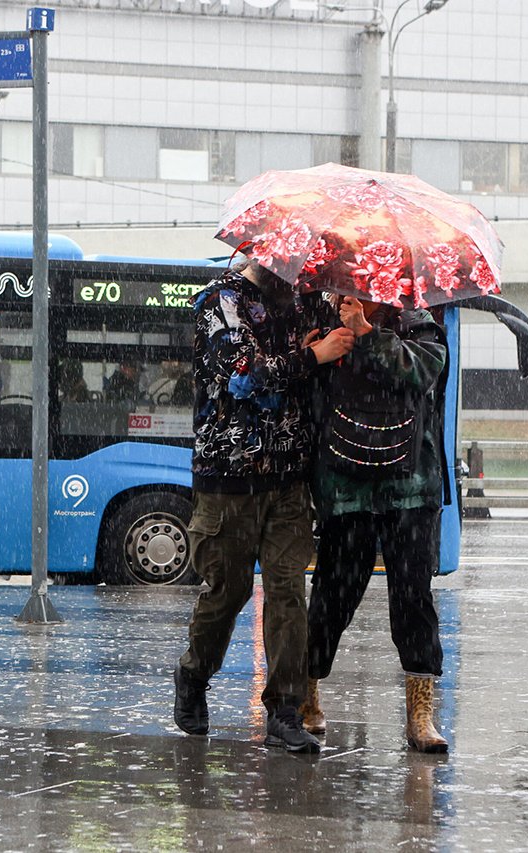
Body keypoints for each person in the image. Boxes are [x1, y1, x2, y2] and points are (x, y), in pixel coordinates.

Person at [172, 259, 354, 753]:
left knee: (288, 593)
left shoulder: (306, 302)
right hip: (227, 477)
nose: (293, 272)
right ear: (261, 255)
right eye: (286, 263)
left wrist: (348, 325)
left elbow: (338, 353)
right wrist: (311, 356)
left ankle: (284, 710)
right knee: (227, 594)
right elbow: (242, 374)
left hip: (289, 479)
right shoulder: (220, 301)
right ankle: (193, 674)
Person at [300, 294, 451, 753]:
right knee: (332, 595)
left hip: (411, 481)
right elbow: (307, 394)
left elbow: (422, 373)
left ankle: (420, 715)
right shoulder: (323, 317)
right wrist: (317, 351)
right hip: (346, 484)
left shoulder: (417, 321)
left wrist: (368, 334)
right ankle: (307, 694)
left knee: (414, 597)